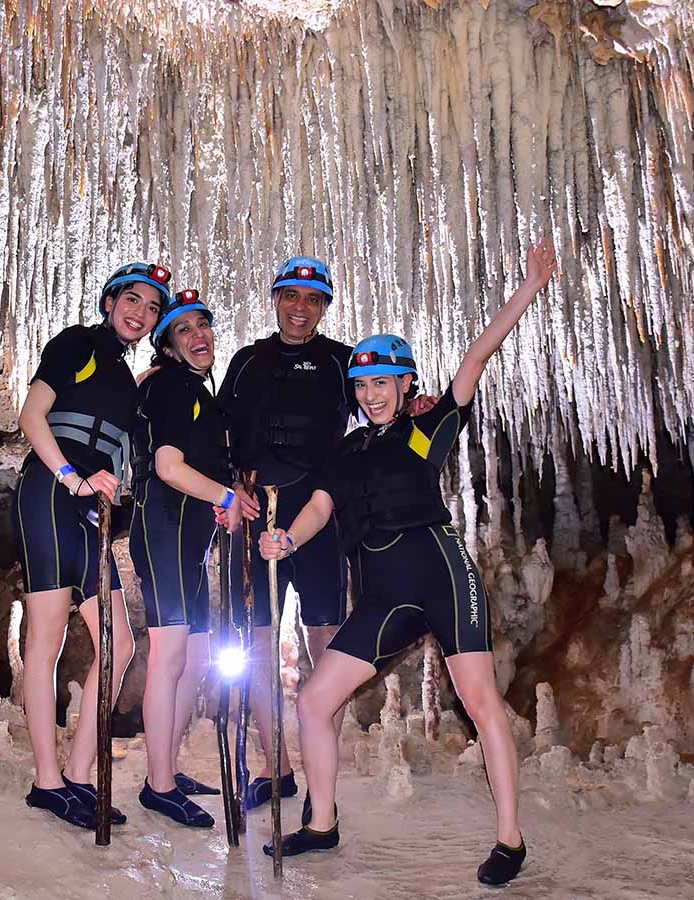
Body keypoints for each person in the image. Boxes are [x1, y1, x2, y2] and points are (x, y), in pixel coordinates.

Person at [258, 239, 557, 886]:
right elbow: (318, 507)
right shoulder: (345, 450)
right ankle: (323, 822)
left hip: (443, 577)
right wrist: (285, 538)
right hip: (383, 597)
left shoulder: (431, 425)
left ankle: (510, 839)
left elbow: (477, 355)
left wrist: (529, 287)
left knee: (481, 702)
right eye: (362, 385)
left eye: (382, 383)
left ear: (406, 384)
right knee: (313, 701)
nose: (371, 394)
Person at [13, 261, 171, 829]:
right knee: (47, 637)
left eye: (153, 308)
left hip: (91, 513)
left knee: (120, 644)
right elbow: (32, 417)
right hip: (52, 495)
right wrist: (70, 478)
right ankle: (46, 783)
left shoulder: (130, 382)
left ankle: (79, 775)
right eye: (132, 300)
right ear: (110, 303)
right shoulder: (77, 343)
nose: (140, 313)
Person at [216, 256, 355, 809]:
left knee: (326, 642)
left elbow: (381, 410)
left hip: (320, 512)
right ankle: (276, 768)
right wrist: (227, 490)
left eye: (312, 299)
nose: (300, 308)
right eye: (291, 297)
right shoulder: (248, 362)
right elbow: (218, 431)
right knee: (254, 646)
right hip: (255, 510)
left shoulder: (342, 363)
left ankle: (322, 761)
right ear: (276, 300)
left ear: (323, 307)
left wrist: (416, 408)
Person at [129, 289, 254, 828]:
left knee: (198, 657)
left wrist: (224, 495)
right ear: (169, 347)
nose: (199, 335)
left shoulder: (198, 394)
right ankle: (157, 786)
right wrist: (226, 497)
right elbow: (168, 466)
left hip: (191, 538)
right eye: (184, 330)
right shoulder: (171, 388)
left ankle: (169, 767)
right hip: (163, 529)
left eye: (203, 324)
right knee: (171, 655)